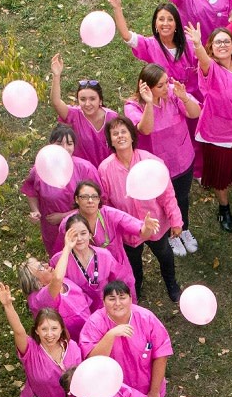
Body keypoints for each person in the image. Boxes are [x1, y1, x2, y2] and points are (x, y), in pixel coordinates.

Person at [95, 117, 183, 305]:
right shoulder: (104, 170)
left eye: (123, 132)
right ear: (110, 140)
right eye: (115, 133)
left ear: (132, 135)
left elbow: (166, 194)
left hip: (155, 224)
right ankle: (137, 287)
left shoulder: (151, 162)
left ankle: (171, 284)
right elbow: (105, 203)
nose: (120, 136)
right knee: (133, 262)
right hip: (127, 230)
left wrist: (176, 220)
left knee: (164, 253)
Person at [187, 22, 232, 233]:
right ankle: (224, 207)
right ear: (211, 47)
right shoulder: (211, 68)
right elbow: (203, 59)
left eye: (226, 41)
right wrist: (198, 45)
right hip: (218, 134)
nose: (223, 45)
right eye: (218, 42)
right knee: (220, 173)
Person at [123, 68, 201, 256]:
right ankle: (170, 236)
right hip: (155, 167)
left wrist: (184, 98)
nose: (167, 87)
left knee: (181, 197)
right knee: (162, 202)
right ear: (147, 88)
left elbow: (195, 112)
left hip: (182, 159)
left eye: (167, 82)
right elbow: (145, 129)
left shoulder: (174, 93)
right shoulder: (133, 106)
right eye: (161, 85)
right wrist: (150, 104)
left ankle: (184, 228)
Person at [77, 280, 172, 397]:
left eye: (122, 297)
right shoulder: (95, 323)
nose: (117, 303)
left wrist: (154, 391)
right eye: (111, 299)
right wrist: (110, 335)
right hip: (115, 392)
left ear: (131, 299)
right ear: (103, 302)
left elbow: (161, 355)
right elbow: (92, 361)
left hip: (147, 387)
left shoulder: (146, 318)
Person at [0, 284, 82, 397]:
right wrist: (8, 305)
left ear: (61, 329)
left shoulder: (72, 347)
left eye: (54, 328)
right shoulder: (31, 350)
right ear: (36, 331)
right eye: (44, 329)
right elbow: (19, 331)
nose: (49, 334)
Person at [107, 0, 202, 105]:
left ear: (176, 23)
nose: (165, 23)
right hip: (169, 102)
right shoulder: (149, 45)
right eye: (161, 19)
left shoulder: (189, 41)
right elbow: (127, 36)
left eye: (170, 19)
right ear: (155, 23)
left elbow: (206, 65)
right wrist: (117, 8)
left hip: (196, 99)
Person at [20, 127, 100, 257]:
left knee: (84, 259)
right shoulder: (39, 169)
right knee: (59, 260)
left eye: (69, 143)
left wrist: (63, 216)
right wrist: (35, 210)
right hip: (52, 229)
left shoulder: (85, 168)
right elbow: (30, 191)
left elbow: (97, 202)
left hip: (82, 225)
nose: (64, 148)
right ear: (50, 145)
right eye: (59, 143)